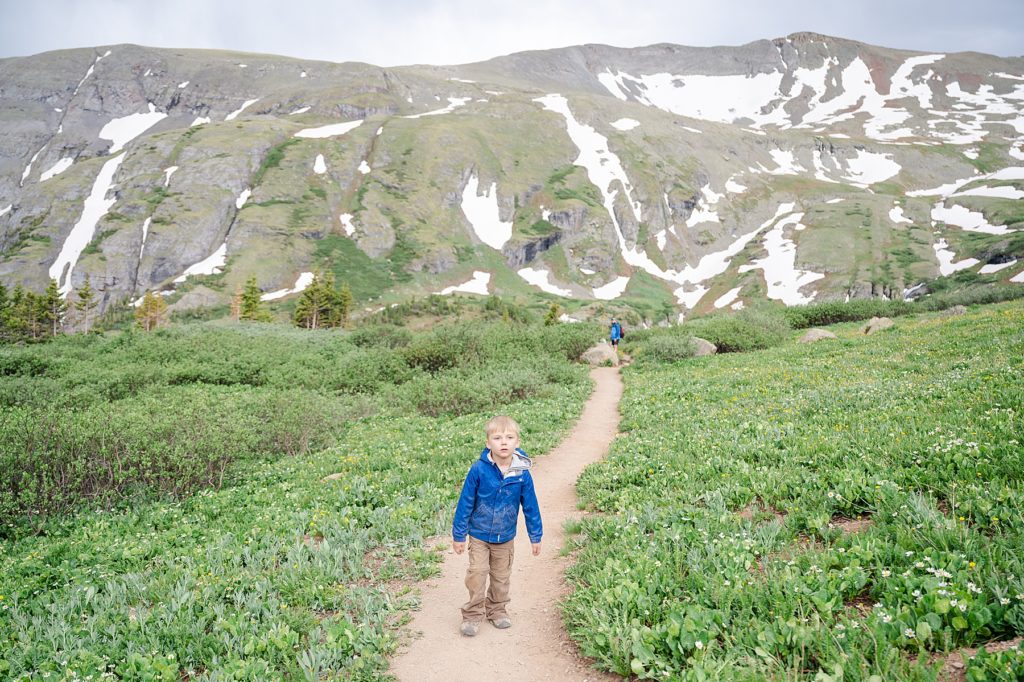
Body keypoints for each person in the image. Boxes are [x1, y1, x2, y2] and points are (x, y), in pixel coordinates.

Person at [452, 415, 542, 637]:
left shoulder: (522, 473)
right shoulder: (479, 470)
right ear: (488, 443)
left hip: (505, 536)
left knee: (501, 577)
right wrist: (459, 535)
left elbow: (530, 506)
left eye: (509, 437)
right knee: (477, 572)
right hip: (479, 534)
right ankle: (473, 614)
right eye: (498, 437)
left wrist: (535, 535)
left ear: (517, 442)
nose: (504, 442)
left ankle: (497, 610)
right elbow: (465, 502)